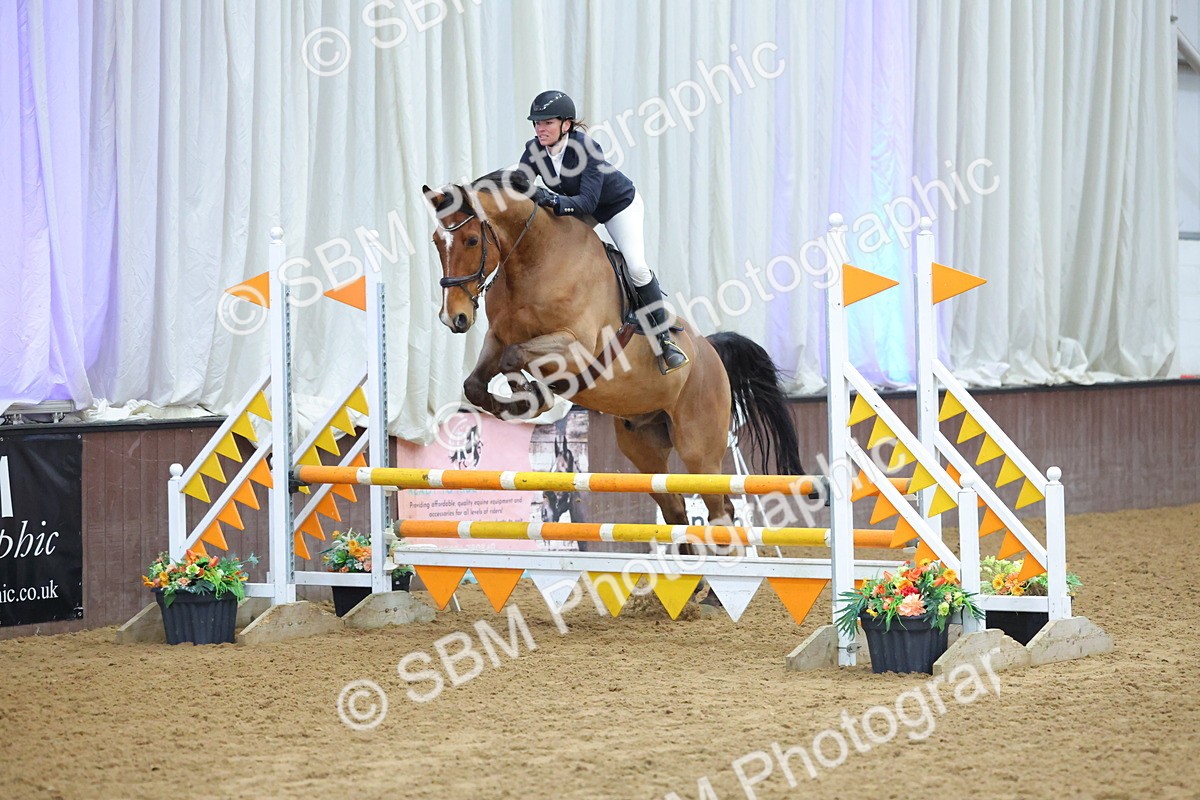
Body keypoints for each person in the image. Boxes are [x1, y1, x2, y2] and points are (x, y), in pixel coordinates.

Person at [517, 90, 688, 374]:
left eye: (547, 122)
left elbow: (587, 202)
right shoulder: (534, 149)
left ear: (566, 125)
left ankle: (664, 341)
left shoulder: (586, 149)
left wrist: (551, 199)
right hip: (578, 206)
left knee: (637, 268)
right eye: (536, 123)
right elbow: (521, 185)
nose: (540, 129)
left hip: (617, 206)